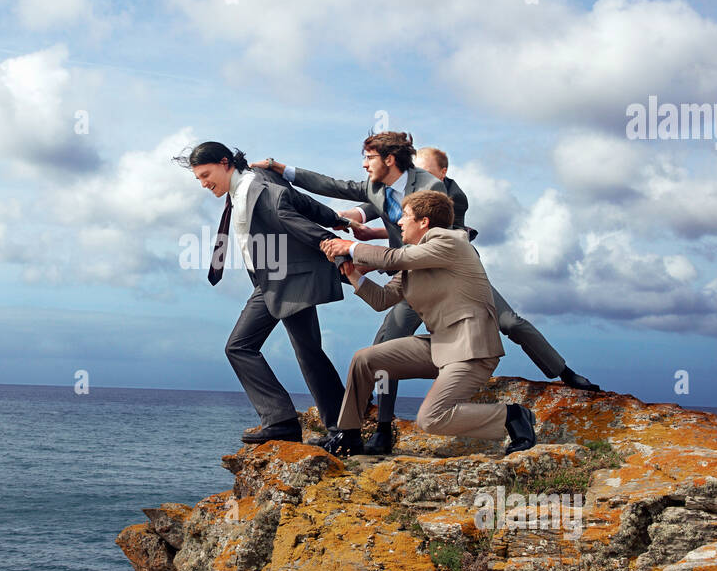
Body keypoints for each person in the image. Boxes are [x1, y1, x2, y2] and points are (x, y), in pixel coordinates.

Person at [254, 132, 599, 454]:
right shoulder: (377, 189)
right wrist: (284, 171)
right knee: (378, 351)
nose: (364, 164)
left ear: (390, 159)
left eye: (369, 157)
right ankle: (381, 430)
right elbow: (337, 188)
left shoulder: (431, 188)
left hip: (450, 274)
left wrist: (359, 247)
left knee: (510, 322)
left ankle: (563, 372)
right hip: (408, 274)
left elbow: (434, 235)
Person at [318, 190, 537, 458]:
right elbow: (382, 299)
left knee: (430, 419)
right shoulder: (415, 261)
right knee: (365, 359)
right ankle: (349, 435)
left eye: (405, 217)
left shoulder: (450, 241)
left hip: (471, 351)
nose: (399, 223)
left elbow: (392, 258)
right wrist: (351, 273)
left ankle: (513, 416)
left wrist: (349, 247)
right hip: (440, 345)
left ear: (424, 222)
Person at [179, 141, 349, 444]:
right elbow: (301, 201)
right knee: (308, 352)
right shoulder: (252, 184)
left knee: (239, 347)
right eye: (199, 179)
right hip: (273, 279)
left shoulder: (256, 186)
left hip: (284, 277)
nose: (204, 184)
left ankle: (282, 421)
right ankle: (341, 428)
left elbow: (290, 217)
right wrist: (338, 219)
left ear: (225, 163)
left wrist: (332, 243)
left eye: (206, 175)